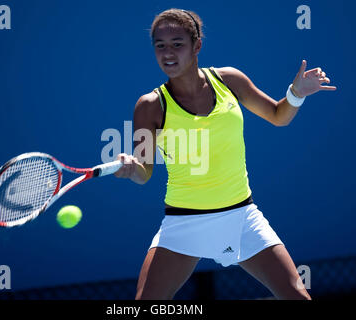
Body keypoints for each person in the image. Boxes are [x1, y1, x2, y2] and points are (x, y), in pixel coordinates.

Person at [114, 8, 336, 300]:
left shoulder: (230, 81)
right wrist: (132, 168)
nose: (168, 53)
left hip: (242, 218)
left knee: (297, 296)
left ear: (197, 46)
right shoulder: (150, 105)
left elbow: (278, 115)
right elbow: (144, 172)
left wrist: (296, 93)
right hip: (184, 224)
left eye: (177, 44)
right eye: (160, 45)